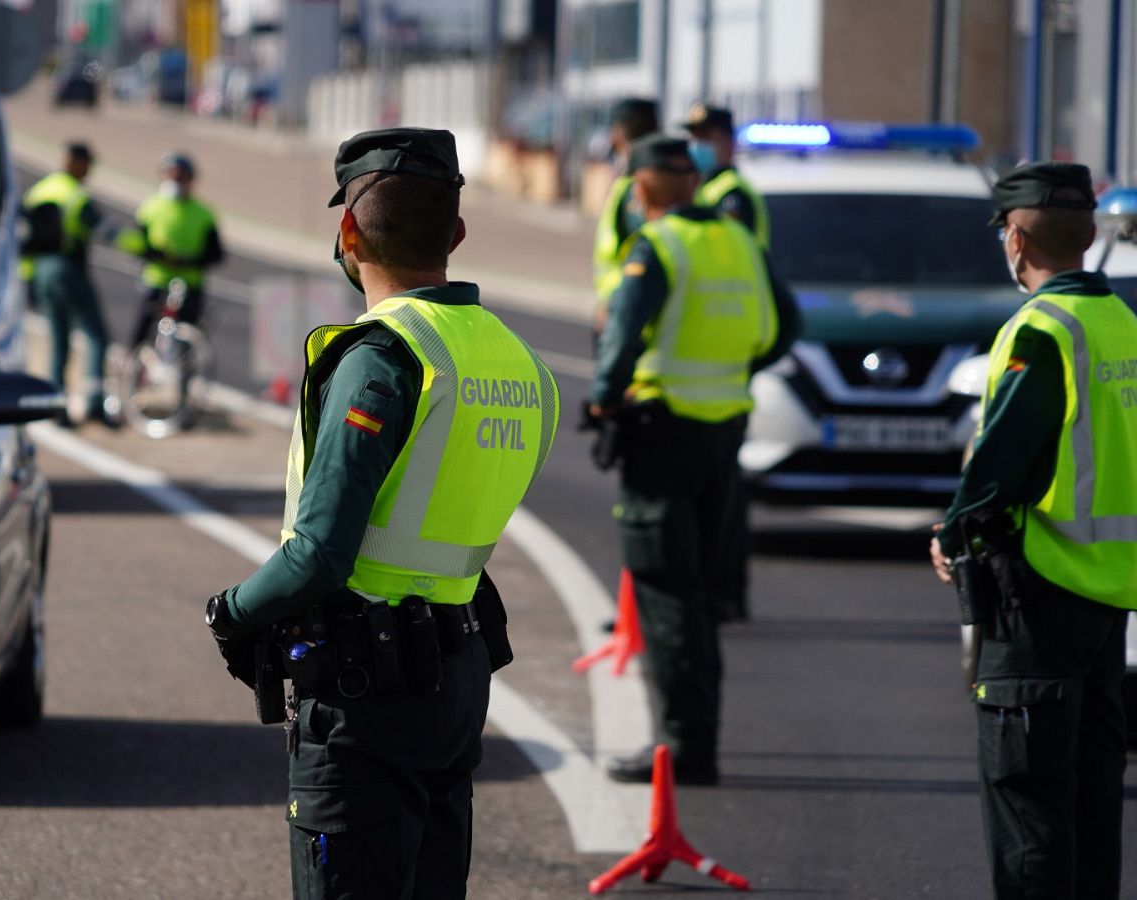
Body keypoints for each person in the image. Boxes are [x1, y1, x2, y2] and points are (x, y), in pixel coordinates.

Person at [203, 128, 558, 899]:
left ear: (348, 233)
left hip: (364, 693)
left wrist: (231, 614)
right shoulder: (521, 365)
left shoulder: (381, 356)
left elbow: (322, 553)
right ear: (457, 234)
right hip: (456, 677)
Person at [928, 162, 1132, 900]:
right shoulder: (1123, 324)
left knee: (1029, 806)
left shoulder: (1041, 330)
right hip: (1110, 597)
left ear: (1016, 240)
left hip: (1039, 592)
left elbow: (999, 460)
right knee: (1091, 803)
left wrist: (952, 535)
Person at [587, 135, 800, 786]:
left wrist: (604, 398)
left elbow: (622, 336)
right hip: (724, 430)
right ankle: (698, 737)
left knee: (667, 592)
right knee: (701, 592)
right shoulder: (739, 240)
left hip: (664, 430)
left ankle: (688, 748)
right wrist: (734, 370)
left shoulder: (658, 245)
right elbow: (784, 328)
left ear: (644, 185)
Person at [681, 103, 770, 624]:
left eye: (707, 136)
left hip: (724, 357)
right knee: (717, 488)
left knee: (724, 492)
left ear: (727, 140)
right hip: (713, 357)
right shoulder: (711, 190)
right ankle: (716, 590)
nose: (699, 144)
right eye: (694, 135)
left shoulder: (731, 197)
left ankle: (725, 591)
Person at [21, 142, 115, 427]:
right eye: (88, 164)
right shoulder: (76, 196)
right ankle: (95, 403)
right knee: (96, 335)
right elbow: (104, 231)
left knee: (59, 339)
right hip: (68, 267)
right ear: (77, 163)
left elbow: (24, 240)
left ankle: (56, 406)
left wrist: (28, 279)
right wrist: (142, 245)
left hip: (40, 270)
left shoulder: (38, 191)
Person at [118, 152, 225, 352]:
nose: (175, 181)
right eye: (170, 175)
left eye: (180, 176)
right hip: (156, 279)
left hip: (190, 283)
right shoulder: (150, 207)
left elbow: (216, 253)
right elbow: (136, 243)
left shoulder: (204, 214)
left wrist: (190, 262)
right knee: (142, 328)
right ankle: (130, 364)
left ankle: (184, 377)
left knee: (190, 337)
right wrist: (156, 255)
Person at [591, 98, 660, 341]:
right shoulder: (636, 180)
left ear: (620, 133)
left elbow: (642, 253)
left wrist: (615, 307)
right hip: (624, 306)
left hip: (625, 310)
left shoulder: (636, 187)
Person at [681, 103, 768, 247]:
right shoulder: (703, 185)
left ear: (729, 143)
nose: (696, 144)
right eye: (693, 137)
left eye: (705, 137)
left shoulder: (732, 192)